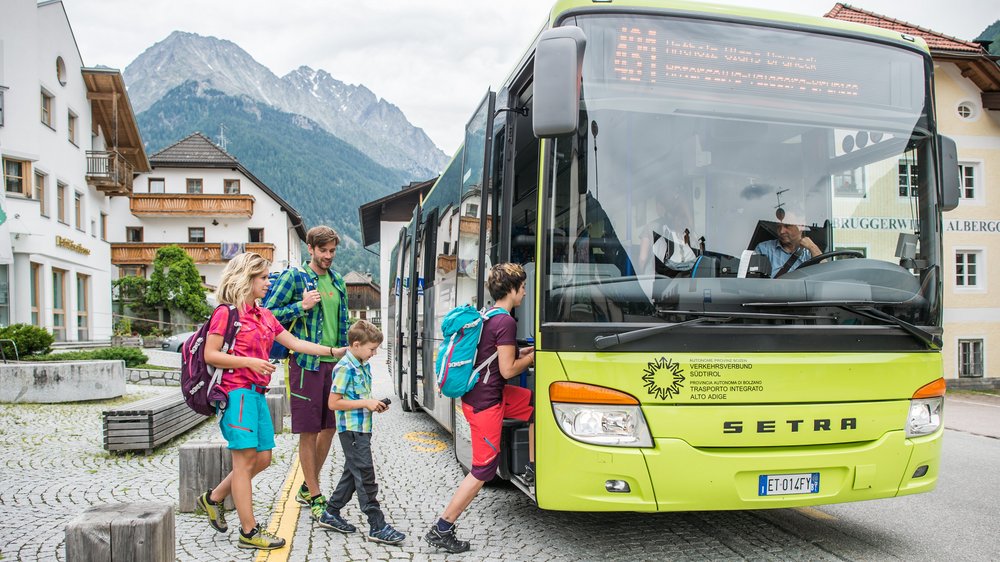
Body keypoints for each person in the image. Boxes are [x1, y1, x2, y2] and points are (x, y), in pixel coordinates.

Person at [195, 252, 346, 550]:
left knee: (262, 459)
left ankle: (213, 498)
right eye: (263, 277)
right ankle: (249, 532)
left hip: (257, 394)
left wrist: (334, 351)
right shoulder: (227, 313)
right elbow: (210, 355)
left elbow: (296, 343)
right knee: (244, 461)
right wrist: (250, 362)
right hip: (235, 394)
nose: (268, 282)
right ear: (246, 278)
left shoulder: (264, 315)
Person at [424, 263, 536, 554]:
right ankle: (443, 527)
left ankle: (532, 468)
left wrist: (520, 353)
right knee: (483, 470)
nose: (525, 291)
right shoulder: (507, 322)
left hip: (485, 393)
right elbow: (508, 368)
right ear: (511, 289)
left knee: (534, 406)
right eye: (522, 286)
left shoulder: (488, 315)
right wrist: (530, 359)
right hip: (486, 402)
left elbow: (493, 355)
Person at [262, 226, 350, 521]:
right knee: (309, 430)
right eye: (323, 250)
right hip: (304, 364)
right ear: (310, 249)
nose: (328, 256)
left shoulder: (338, 281)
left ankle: (306, 486)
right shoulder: (294, 277)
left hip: (333, 364)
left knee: (330, 426)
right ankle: (314, 493)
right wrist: (301, 305)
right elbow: (268, 315)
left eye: (332, 251)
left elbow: (342, 324)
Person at [315, 320, 406, 545]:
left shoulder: (361, 363)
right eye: (372, 349)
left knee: (352, 472)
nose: (374, 353)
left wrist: (373, 404)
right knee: (365, 475)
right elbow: (334, 403)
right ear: (356, 344)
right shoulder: (345, 367)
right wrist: (366, 402)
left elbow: (359, 399)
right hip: (352, 431)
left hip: (362, 429)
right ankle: (377, 525)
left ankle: (331, 512)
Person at [754, 214, 822, 278]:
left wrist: (813, 247)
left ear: (801, 225)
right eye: (778, 227)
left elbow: (824, 276)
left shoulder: (810, 252)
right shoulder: (764, 249)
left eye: (787, 226)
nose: (781, 231)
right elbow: (755, 282)